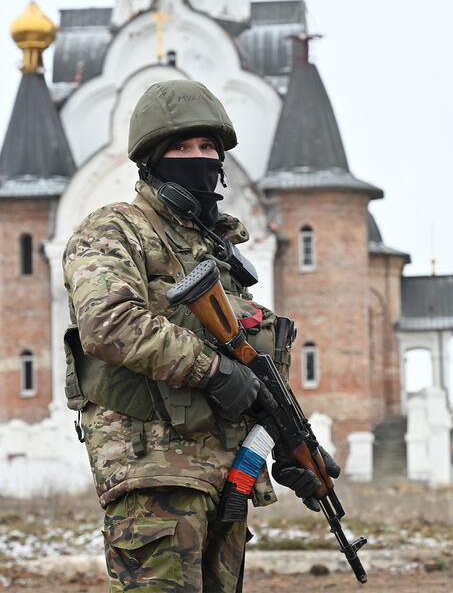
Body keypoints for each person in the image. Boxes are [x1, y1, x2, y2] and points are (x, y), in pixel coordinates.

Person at [62, 79, 339, 593]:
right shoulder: (115, 229)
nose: (198, 158)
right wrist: (210, 369)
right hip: (154, 471)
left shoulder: (219, 253)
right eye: (181, 147)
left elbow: (251, 369)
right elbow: (108, 323)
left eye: (207, 146)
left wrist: (290, 443)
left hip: (228, 476)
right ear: (151, 160)